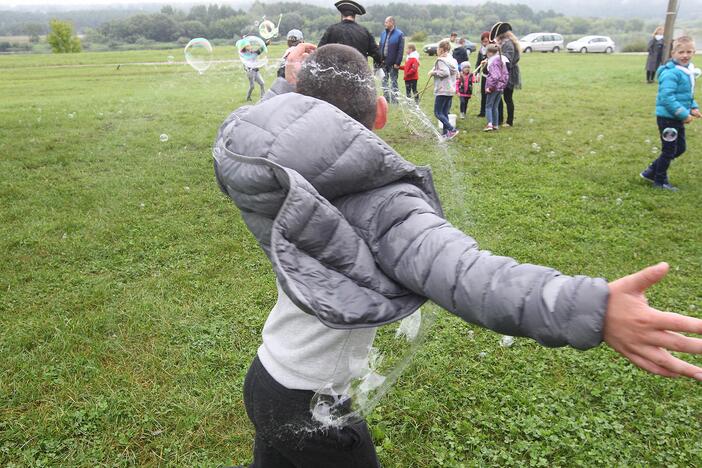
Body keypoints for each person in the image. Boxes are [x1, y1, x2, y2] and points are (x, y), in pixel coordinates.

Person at [214, 42, 702, 468]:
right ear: (381, 115)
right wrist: (592, 308)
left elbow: (273, 125)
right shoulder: (383, 205)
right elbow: (468, 274)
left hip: (266, 378)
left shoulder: (275, 172)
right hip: (314, 408)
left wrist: (284, 83)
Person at [639, 36, 701, 191]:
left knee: (680, 148)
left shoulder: (686, 71)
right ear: (673, 53)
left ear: (694, 52)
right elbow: (667, 97)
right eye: (681, 52)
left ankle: (651, 171)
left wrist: (693, 107)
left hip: (676, 117)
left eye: (689, 51)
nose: (685, 55)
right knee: (669, 150)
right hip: (668, 118)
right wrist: (683, 114)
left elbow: (686, 94)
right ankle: (660, 182)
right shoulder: (671, 73)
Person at [318, 0, 380, 66]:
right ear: (354, 16)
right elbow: (377, 54)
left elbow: (319, 52)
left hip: (337, 72)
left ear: (342, 15)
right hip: (360, 73)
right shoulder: (365, 31)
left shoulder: (331, 30)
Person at [492, 22, 521, 127]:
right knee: (499, 97)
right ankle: (499, 119)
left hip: (509, 73)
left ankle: (509, 121)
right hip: (503, 72)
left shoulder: (508, 44)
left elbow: (507, 59)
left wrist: (497, 56)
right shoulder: (504, 43)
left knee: (507, 98)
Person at [428, 39, 459, 139]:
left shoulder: (441, 60)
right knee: (445, 112)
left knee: (438, 113)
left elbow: (445, 72)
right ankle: (445, 134)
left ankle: (452, 130)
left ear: (441, 49)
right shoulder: (452, 60)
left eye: (437, 48)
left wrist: (433, 73)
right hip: (450, 90)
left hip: (442, 90)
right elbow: (456, 74)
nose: (437, 50)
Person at [379, 16, 405, 103]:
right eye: (385, 22)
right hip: (383, 62)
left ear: (392, 23)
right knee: (384, 81)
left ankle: (395, 100)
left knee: (393, 81)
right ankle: (386, 99)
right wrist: (380, 59)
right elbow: (380, 47)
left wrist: (397, 62)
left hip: (393, 63)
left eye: (386, 22)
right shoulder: (383, 33)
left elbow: (400, 50)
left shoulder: (399, 34)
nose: (385, 24)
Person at [483, 43, 508, 131]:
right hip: (500, 88)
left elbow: (495, 76)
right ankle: (495, 124)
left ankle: (489, 124)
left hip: (493, 88)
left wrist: (490, 87)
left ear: (489, 52)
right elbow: (506, 76)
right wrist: (502, 86)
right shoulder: (501, 60)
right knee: (495, 106)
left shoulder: (493, 62)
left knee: (488, 106)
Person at [475, 31, 490, 117]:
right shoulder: (481, 50)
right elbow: (478, 63)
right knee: (483, 93)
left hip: (491, 77)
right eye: (483, 41)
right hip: (484, 76)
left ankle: (490, 112)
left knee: (490, 94)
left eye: (486, 41)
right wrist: (477, 74)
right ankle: (482, 112)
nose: (484, 43)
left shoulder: (492, 49)